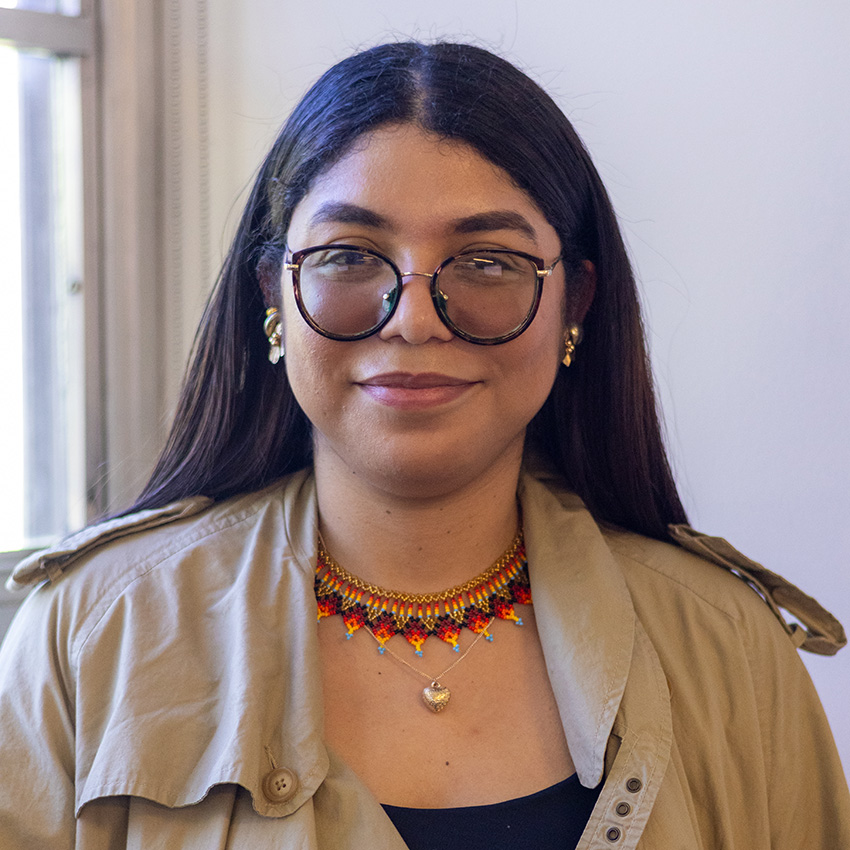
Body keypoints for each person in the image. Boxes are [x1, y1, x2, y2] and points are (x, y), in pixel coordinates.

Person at [0, 40, 847, 850]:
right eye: (348, 255)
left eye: (487, 263)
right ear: (274, 296)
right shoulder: (89, 636)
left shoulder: (727, 645)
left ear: (574, 307)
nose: (412, 318)